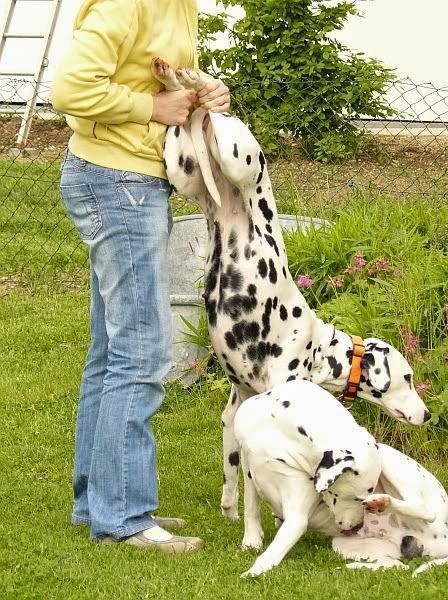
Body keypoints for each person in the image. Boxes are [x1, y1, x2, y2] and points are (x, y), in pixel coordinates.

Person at [51, 0, 230, 552]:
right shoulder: (126, 3)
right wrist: (153, 107)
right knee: (141, 351)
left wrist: (204, 91)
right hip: (117, 183)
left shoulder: (179, 4)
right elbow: (70, 89)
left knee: (112, 351)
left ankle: (98, 502)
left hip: (129, 180)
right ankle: (124, 517)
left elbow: (156, 81)